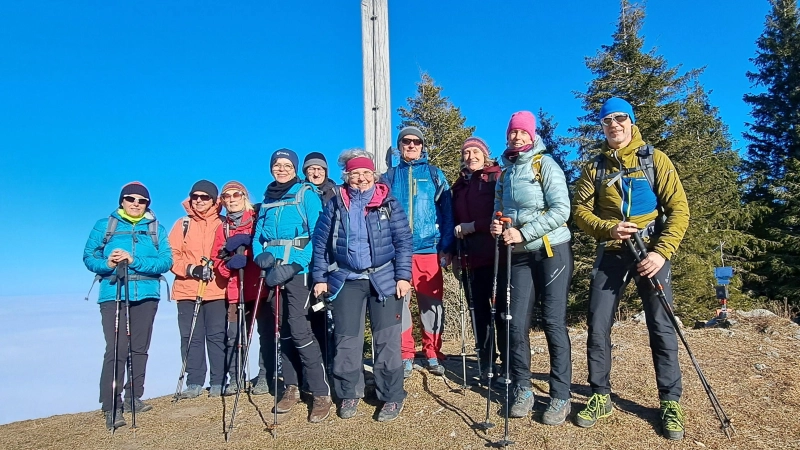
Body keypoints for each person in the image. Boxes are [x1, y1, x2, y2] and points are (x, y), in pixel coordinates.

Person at [572, 97, 690, 440]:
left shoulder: (655, 160)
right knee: (597, 323)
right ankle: (600, 395)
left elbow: (679, 209)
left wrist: (662, 252)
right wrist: (607, 229)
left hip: (651, 251)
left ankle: (670, 400)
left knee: (661, 325)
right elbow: (579, 210)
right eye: (607, 120)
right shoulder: (595, 167)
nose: (613, 125)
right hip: (612, 250)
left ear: (631, 121)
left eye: (620, 118)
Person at [312, 150, 412, 422]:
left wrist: (403, 276)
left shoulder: (388, 202)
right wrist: (320, 278)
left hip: (384, 278)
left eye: (366, 173)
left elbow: (403, 241)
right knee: (347, 340)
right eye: (355, 173)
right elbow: (320, 244)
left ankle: (391, 396)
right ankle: (348, 393)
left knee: (387, 340)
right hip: (346, 279)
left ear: (373, 175)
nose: (361, 178)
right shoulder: (335, 203)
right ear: (347, 177)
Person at [490, 111, 573, 423]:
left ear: (532, 135)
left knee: (552, 321)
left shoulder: (544, 165)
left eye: (522, 133)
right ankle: (523, 387)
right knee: (515, 322)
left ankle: (560, 395)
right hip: (519, 254)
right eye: (513, 133)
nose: (517, 137)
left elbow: (562, 210)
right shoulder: (506, 172)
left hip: (552, 251)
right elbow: (499, 210)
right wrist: (496, 225)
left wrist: (523, 232)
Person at [83, 182, 172, 430]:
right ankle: (112, 405)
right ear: (122, 201)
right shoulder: (106, 225)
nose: (135, 203)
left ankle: (134, 397)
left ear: (147, 204)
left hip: (146, 293)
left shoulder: (156, 228)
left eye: (141, 201)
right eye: (131, 199)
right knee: (117, 348)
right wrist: (108, 263)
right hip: (113, 292)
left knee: (140, 347)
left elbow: (165, 261)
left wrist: (134, 260)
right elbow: (89, 256)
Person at [252, 148, 331, 423]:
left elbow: (318, 233)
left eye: (287, 165)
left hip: (299, 272)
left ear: (295, 168)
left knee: (299, 328)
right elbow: (257, 236)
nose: (282, 169)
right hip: (273, 272)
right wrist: (258, 256)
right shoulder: (267, 199)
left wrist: (296, 264)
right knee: (282, 330)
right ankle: (291, 387)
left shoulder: (305, 193)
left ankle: (320, 392)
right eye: (277, 165)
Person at [381, 126, 455, 377]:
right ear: (399, 146)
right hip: (397, 251)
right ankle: (405, 354)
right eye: (406, 141)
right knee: (399, 304)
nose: (411, 145)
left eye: (416, 142)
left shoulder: (434, 174)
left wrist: (446, 246)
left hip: (428, 249)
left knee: (431, 305)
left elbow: (447, 213)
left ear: (422, 146)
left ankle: (433, 352)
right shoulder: (389, 177)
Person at [209, 181, 272, 396]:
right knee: (235, 336)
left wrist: (251, 251)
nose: (232, 199)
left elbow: (268, 244)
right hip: (237, 290)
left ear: (244, 196)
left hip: (261, 286)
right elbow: (216, 260)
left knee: (266, 333)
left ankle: (265, 376)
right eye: (227, 196)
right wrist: (228, 266)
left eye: (236, 195)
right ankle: (236, 378)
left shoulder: (258, 219)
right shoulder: (222, 228)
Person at [167, 180, 227, 399]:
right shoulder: (182, 224)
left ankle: (219, 380)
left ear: (214, 200)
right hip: (187, 289)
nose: (199, 201)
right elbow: (171, 256)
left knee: (217, 335)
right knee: (191, 336)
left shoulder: (223, 223)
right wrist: (191, 269)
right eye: (196, 197)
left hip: (217, 289)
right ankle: (194, 382)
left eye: (205, 197)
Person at [450, 137, 502, 380]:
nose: (471, 156)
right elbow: (452, 222)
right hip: (470, 258)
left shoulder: (496, 177)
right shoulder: (458, 186)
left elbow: (502, 213)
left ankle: (509, 364)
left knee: (502, 312)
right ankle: (486, 361)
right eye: (466, 152)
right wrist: (453, 254)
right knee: (478, 314)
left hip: (497, 256)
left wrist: (474, 226)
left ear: (485, 154)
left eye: (475, 151)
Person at [302, 151, 337, 374]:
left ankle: (335, 361)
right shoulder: (300, 193)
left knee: (333, 314)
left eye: (320, 169)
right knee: (312, 314)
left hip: (333, 261)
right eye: (311, 169)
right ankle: (316, 365)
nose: (316, 172)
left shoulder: (336, 193)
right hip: (308, 262)